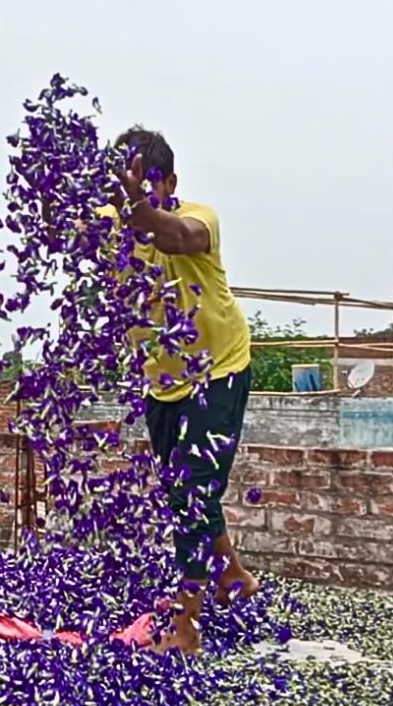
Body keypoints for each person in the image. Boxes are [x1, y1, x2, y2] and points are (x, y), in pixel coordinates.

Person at [108, 126, 257, 655]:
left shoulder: (199, 218)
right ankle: (234, 577)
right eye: (126, 185)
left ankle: (186, 625)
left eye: (149, 185)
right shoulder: (112, 224)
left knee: (193, 492)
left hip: (218, 369)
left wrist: (135, 205)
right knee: (187, 492)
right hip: (162, 382)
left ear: (170, 182)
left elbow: (172, 235)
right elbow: (70, 230)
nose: (137, 196)